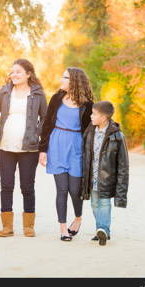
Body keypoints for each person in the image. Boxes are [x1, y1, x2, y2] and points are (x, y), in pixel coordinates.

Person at [0, 59, 47, 238]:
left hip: (29, 147)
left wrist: (36, 135)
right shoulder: (6, 90)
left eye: (18, 72)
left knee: (27, 186)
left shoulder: (37, 94)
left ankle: (28, 226)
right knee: (6, 185)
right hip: (5, 146)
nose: (13, 75)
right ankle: (7, 226)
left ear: (28, 74)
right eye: (12, 71)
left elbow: (45, 119)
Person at [39, 67, 94, 241]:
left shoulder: (87, 105)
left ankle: (78, 218)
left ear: (75, 81)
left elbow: (92, 128)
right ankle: (63, 228)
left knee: (75, 190)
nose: (61, 80)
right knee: (61, 189)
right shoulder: (56, 98)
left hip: (76, 147)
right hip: (56, 145)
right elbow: (47, 124)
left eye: (65, 77)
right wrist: (42, 150)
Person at [81, 101, 129, 246]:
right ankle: (100, 230)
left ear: (104, 117)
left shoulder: (117, 136)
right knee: (95, 204)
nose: (91, 116)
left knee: (104, 203)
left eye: (94, 114)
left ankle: (103, 229)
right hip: (92, 177)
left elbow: (123, 165)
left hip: (107, 179)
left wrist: (121, 191)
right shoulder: (89, 132)